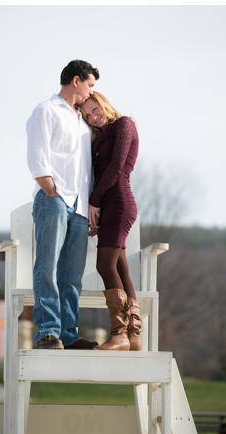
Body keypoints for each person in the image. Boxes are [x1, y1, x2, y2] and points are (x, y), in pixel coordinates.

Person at [25, 59, 99, 350]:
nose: (91, 91)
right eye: (90, 84)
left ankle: (68, 334)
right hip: (54, 200)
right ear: (76, 81)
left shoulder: (82, 120)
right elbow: (37, 151)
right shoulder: (46, 110)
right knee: (47, 266)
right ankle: (47, 332)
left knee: (72, 275)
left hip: (80, 206)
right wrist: (49, 187)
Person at [80, 92, 141, 351]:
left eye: (95, 110)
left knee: (105, 264)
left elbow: (116, 167)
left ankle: (119, 334)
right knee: (119, 266)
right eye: (87, 116)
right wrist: (96, 210)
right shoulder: (98, 136)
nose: (94, 117)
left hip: (119, 201)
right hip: (107, 205)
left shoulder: (124, 124)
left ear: (103, 103)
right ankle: (134, 335)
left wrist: (94, 200)